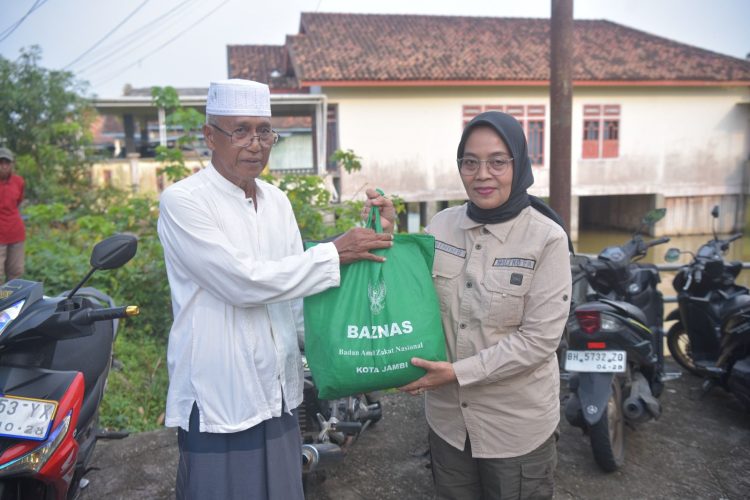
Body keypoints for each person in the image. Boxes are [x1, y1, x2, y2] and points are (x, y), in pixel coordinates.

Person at [157, 79, 393, 500]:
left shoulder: (277, 202)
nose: (255, 144)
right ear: (210, 136)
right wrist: (335, 252)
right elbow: (242, 281)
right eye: (241, 130)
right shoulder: (184, 201)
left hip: (277, 393)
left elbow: (296, 296)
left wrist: (368, 246)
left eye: (264, 131)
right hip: (220, 395)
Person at [366, 111, 572, 499]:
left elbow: (539, 341)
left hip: (515, 429)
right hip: (448, 423)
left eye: (497, 161)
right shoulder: (441, 225)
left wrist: (457, 372)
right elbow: (410, 296)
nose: (482, 174)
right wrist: (388, 235)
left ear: (519, 163)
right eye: (470, 162)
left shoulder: (547, 239)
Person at [0, 147, 25, 283]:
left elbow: (18, 202)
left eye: (7, 163)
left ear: (11, 165)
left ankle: (10, 302)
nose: (3, 166)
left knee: (15, 273)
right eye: (1, 162)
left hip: (16, 233)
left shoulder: (18, 182)